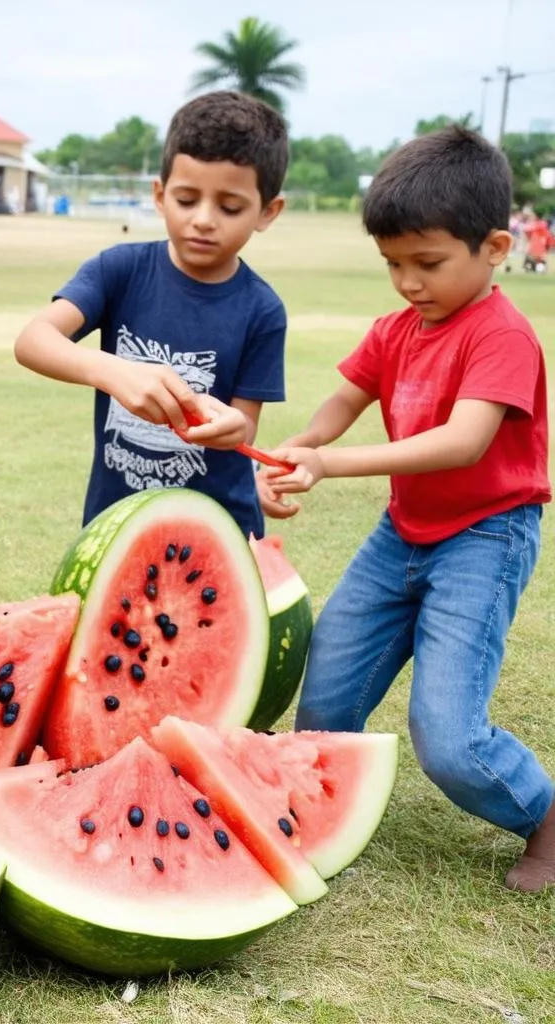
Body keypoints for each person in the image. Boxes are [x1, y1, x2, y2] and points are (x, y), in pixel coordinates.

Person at [264, 126, 554, 892]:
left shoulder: (504, 336)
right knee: (324, 703)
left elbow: (462, 443)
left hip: (486, 536)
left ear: (494, 247)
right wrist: (304, 444)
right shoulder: (394, 331)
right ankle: (318, 809)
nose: (407, 283)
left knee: (449, 741)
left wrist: (331, 465)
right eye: (392, 263)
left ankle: (547, 818)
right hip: (403, 533)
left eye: (427, 263)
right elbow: (343, 400)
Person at [14, 91, 289, 539]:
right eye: (186, 199)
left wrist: (235, 428)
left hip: (219, 531)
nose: (203, 219)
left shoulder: (262, 309)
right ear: (160, 196)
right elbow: (33, 341)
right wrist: (114, 372)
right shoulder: (119, 270)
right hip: (116, 525)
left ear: (267, 211)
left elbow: (245, 426)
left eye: (230, 207)